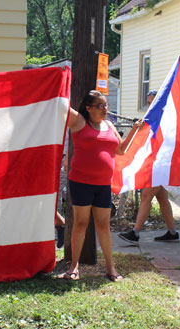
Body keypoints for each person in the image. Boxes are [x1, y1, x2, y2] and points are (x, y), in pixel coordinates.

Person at [62, 90, 143, 282]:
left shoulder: (109, 125)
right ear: (88, 108)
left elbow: (121, 150)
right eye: (100, 105)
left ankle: (111, 268)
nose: (105, 109)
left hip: (103, 185)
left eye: (106, 105)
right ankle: (74, 266)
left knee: (103, 226)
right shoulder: (79, 122)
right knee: (80, 224)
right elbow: (60, 105)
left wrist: (134, 130)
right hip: (81, 183)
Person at [118, 90, 179, 245]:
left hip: (162, 163)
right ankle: (172, 232)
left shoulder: (165, 118)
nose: (150, 105)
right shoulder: (153, 117)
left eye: (153, 102)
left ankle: (135, 233)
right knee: (162, 197)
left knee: (146, 195)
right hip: (155, 163)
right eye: (149, 102)